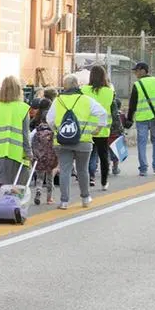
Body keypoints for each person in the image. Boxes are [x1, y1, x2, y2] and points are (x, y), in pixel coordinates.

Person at [47, 74, 108, 209]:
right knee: (82, 170)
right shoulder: (86, 100)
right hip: (84, 141)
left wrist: (57, 130)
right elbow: (103, 113)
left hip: (62, 142)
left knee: (65, 170)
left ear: (64, 86)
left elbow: (49, 119)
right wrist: (98, 129)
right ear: (77, 85)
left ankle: (64, 201)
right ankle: (85, 199)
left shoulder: (58, 101)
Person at [0, 76, 31, 206]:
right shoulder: (23, 108)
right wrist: (29, 153)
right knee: (16, 184)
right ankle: (13, 209)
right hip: (16, 153)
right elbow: (25, 134)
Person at [81, 66, 119, 191]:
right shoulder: (109, 91)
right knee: (103, 156)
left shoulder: (84, 90)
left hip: (87, 129)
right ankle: (104, 182)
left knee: (87, 156)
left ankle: (89, 178)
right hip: (103, 129)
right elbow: (113, 109)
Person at [30, 98, 57, 206]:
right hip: (50, 157)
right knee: (50, 178)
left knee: (40, 177)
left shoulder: (37, 128)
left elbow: (31, 140)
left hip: (39, 156)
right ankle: (49, 198)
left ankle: (38, 190)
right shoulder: (53, 130)